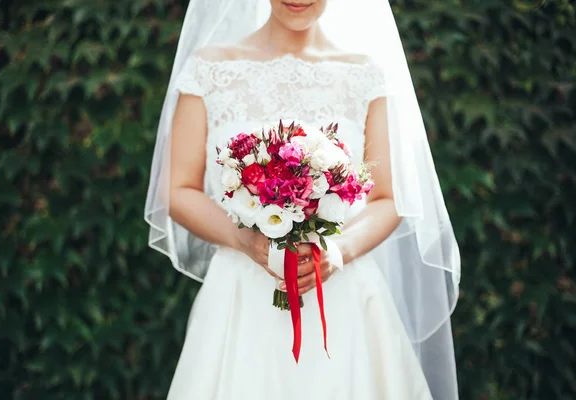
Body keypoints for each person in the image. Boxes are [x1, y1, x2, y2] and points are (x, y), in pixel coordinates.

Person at [144, 0, 461, 399]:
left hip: (344, 298)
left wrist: (337, 250)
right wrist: (244, 239)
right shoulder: (211, 70)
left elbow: (388, 197)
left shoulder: (363, 74)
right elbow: (176, 190)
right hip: (242, 298)